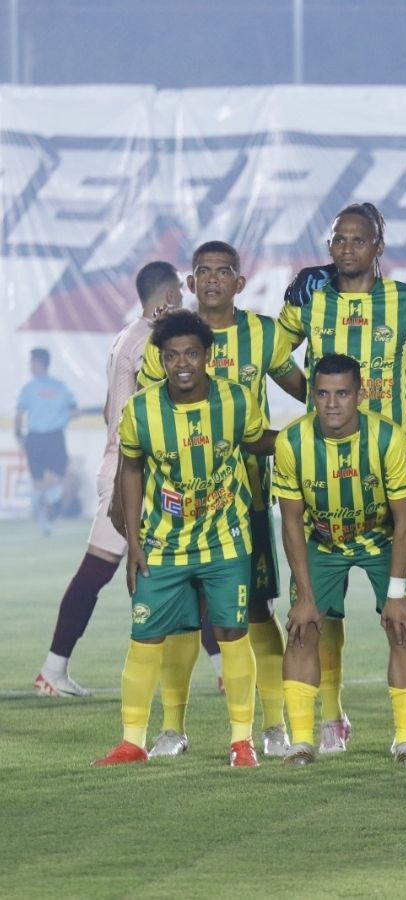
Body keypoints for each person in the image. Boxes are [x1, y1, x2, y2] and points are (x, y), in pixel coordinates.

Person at [279, 202, 406, 753]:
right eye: (338, 239)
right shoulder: (311, 299)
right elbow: (274, 357)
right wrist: (312, 397)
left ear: (379, 247)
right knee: (315, 616)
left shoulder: (405, 302)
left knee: (403, 618)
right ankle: (328, 720)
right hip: (321, 472)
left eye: (359, 240)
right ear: (329, 246)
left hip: (385, 471)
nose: (347, 248)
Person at [137, 241, 306, 759]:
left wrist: (311, 441)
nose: (212, 280)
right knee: (181, 618)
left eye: (223, 271)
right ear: (190, 282)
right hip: (176, 510)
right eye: (202, 271)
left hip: (246, 502)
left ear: (239, 280)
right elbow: (146, 418)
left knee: (255, 611)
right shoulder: (168, 341)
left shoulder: (263, 334)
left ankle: (273, 725)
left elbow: (308, 390)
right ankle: (173, 728)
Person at [93, 309, 276, 768]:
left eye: (192, 353)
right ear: (161, 359)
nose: (183, 364)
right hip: (162, 544)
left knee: (233, 633)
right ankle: (132, 741)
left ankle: (241, 742)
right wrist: (134, 544)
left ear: (207, 356)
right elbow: (130, 469)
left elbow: (257, 442)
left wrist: (311, 432)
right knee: (145, 638)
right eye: (172, 355)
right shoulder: (141, 409)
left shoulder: (235, 400)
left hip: (225, 541)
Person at [33, 262, 181, 698]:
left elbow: (106, 410)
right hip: (126, 473)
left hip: (127, 467)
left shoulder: (125, 337)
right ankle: (52, 671)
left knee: (191, 564)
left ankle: (221, 669)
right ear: (168, 298)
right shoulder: (151, 343)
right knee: (96, 570)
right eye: (181, 296)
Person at [274, 354, 406, 766]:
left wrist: (397, 594)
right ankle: (302, 743)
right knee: (303, 627)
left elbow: (405, 521)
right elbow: (291, 525)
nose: (332, 403)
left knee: (402, 625)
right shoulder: (290, 443)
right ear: (313, 396)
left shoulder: (389, 440)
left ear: (359, 395)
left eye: (342, 393)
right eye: (322, 394)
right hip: (322, 540)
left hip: (382, 539)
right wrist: (305, 596)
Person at [15, 347, 78, 536]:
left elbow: (73, 410)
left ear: (39, 363)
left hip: (46, 437)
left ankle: (51, 505)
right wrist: (61, 420)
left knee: (54, 477)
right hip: (41, 436)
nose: (30, 366)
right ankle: (45, 518)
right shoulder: (31, 387)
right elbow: (74, 411)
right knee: (40, 480)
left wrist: (19, 435)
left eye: (32, 362)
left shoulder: (58, 386)